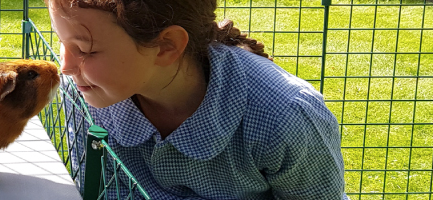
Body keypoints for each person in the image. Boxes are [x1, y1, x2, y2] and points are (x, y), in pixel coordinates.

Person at [45, 0, 348, 199]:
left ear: (166, 46)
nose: (66, 67)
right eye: (62, 41)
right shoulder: (87, 97)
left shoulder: (286, 117)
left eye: (86, 50)